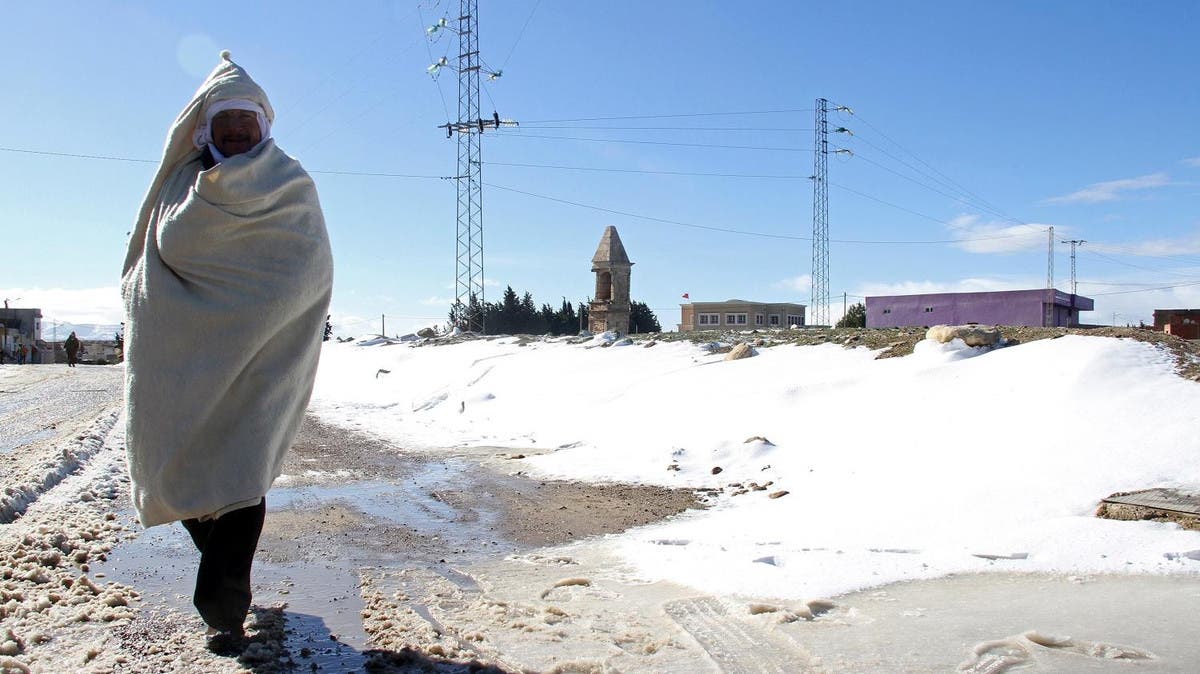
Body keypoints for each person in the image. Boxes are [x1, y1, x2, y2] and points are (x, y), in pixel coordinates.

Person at [121, 51, 333, 655]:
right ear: (205, 131)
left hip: (258, 369)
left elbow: (307, 271)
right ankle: (220, 573)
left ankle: (223, 610)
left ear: (263, 127)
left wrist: (269, 317)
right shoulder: (178, 187)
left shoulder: (290, 184)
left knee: (240, 481)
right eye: (225, 127)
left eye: (245, 125)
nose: (236, 136)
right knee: (182, 474)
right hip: (183, 364)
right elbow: (149, 270)